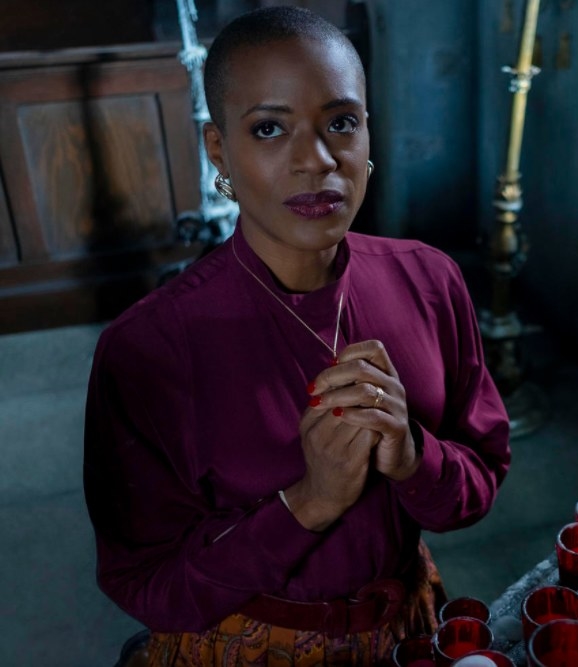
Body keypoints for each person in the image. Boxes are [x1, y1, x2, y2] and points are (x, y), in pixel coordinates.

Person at [83, 6, 512, 666]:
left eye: (340, 122)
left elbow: (478, 479)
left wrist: (411, 456)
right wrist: (308, 502)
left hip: (405, 624)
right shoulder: (148, 350)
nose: (317, 161)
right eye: (269, 129)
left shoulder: (429, 281)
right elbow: (148, 585)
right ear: (219, 149)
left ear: (369, 132)